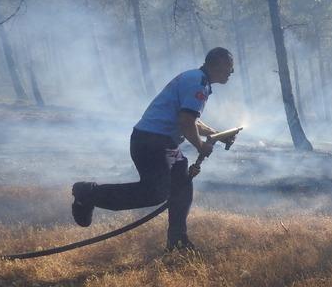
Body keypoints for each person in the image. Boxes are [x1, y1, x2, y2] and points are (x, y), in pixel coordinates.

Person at [71, 47, 235, 252]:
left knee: (182, 185)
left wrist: (216, 134)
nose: (231, 72)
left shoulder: (196, 78)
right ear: (217, 64)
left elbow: (189, 119)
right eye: (229, 66)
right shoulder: (199, 83)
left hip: (159, 142)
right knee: (155, 193)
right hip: (152, 143)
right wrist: (201, 146)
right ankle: (89, 193)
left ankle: (178, 242)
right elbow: (186, 122)